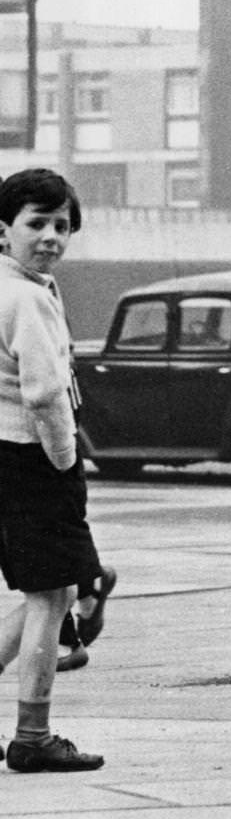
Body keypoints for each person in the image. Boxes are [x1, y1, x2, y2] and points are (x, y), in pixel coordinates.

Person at [0, 168, 116, 772]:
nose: (50, 237)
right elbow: (45, 393)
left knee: (55, 586)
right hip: (35, 458)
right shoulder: (26, 297)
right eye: (36, 223)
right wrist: (66, 460)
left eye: (62, 226)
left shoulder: (9, 285)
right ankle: (34, 735)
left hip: (4, 452)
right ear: (3, 230)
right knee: (51, 594)